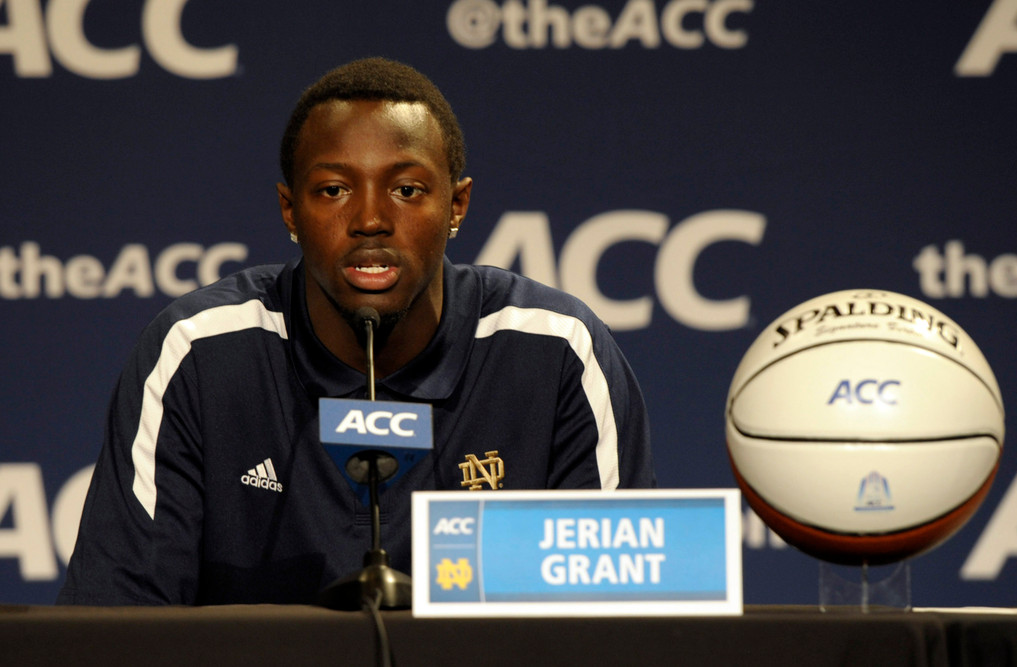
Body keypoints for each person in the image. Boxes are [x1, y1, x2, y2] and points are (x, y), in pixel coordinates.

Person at [58, 57, 654, 605]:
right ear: (291, 211)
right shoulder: (198, 354)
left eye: (407, 190)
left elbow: (613, 617)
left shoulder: (557, 352)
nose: (370, 219)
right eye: (334, 190)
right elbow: (119, 623)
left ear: (457, 206)